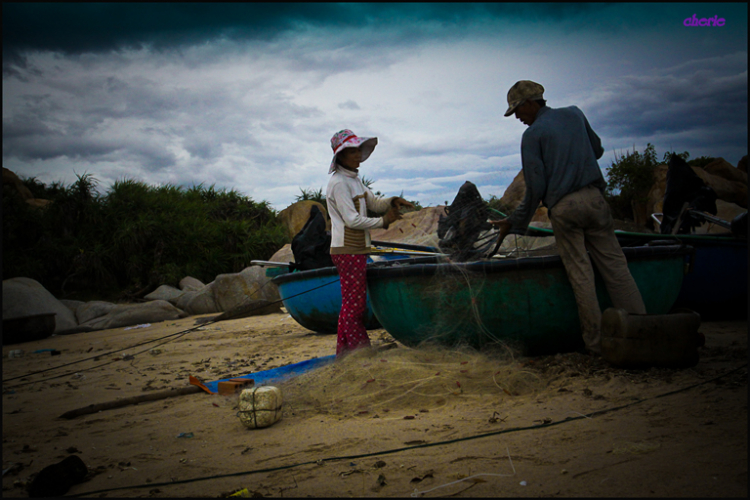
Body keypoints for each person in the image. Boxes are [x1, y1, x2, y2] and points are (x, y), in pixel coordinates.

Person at [489, 81, 646, 355]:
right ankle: (642, 332)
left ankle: (596, 345)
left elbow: (535, 188)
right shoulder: (575, 113)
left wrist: (514, 222)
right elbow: (596, 150)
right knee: (616, 268)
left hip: (565, 207)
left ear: (530, 103)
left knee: (580, 274)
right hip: (595, 200)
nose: (516, 117)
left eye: (517, 110)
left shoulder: (533, 135)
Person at [326, 129, 414, 357]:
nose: (357, 154)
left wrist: (392, 201)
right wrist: (384, 221)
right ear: (340, 157)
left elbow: (373, 203)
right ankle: (358, 350)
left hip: (355, 248)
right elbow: (352, 220)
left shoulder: (354, 180)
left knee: (351, 303)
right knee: (354, 306)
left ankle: (346, 352)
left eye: (358, 149)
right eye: (351, 151)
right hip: (347, 249)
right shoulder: (339, 183)